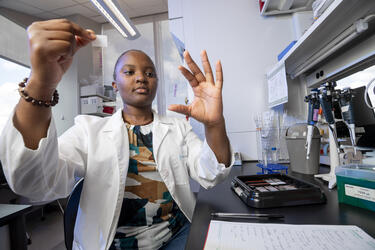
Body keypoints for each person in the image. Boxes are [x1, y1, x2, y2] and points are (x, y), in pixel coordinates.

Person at [0, 19, 233, 250]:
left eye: (149, 73)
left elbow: (211, 174)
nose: (141, 77)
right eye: (130, 72)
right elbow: (34, 182)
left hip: (175, 235)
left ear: (157, 83)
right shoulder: (89, 130)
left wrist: (214, 124)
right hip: (113, 244)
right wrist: (41, 84)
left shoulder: (178, 128)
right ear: (115, 84)